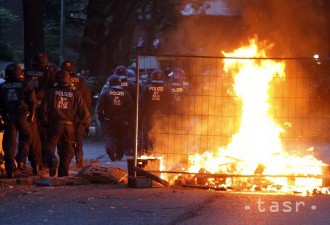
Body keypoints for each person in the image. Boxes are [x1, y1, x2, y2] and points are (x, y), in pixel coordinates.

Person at [40, 70, 90, 177]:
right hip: (69, 126)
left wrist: (44, 124)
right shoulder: (75, 93)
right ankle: (63, 174)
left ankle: (52, 159)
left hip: (54, 125)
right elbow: (83, 110)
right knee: (67, 151)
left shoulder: (50, 93)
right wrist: (86, 124)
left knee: (48, 147)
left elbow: (43, 110)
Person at [0, 63, 38, 178]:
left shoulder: (2, 86)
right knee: (26, 137)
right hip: (23, 117)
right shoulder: (26, 84)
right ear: (20, 73)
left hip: (8, 118)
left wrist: (3, 115)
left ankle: (10, 170)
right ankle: (21, 161)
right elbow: (33, 102)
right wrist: (31, 116)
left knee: (9, 144)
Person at [60, 60, 91, 167]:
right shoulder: (80, 81)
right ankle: (79, 158)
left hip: (63, 115)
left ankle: (65, 161)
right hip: (77, 115)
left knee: (63, 139)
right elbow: (86, 99)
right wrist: (84, 116)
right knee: (78, 137)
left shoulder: (59, 80)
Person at [97, 75, 134, 161]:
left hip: (109, 119)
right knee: (120, 137)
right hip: (122, 120)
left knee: (109, 135)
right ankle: (119, 155)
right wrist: (128, 119)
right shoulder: (126, 94)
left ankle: (110, 148)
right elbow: (131, 109)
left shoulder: (105, 93)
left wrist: (101, 118)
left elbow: (99, 108)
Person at [139, 68, 169, 154]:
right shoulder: (166, 89)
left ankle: (148, 149)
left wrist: (142, 113)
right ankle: (160, 149)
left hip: (148, 114)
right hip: (161, 114)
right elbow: (169, 102)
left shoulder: (146, 88)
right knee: (161, 132)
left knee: (148, 132)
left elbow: (142, 101)